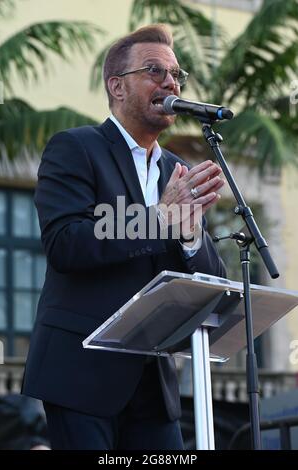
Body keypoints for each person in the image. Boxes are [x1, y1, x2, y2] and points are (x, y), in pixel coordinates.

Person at [22, 24, 226, 450]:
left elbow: (211, 279)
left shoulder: (176, 170)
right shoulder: (75, 148)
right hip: (81, 372)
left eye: (176, 75)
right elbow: (66, 242)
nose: (171, 82)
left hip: (153, 382)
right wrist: (158, 220)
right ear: (117, 86)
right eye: (155, 71)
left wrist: (189, 238)